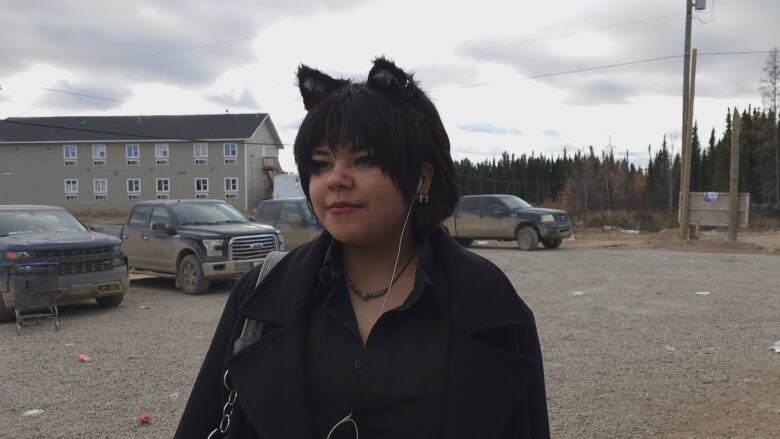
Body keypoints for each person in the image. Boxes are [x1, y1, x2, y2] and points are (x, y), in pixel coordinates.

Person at [175, 57, 549, 439]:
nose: (336, 179)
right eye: (320, 164)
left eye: (364, 159)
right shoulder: (262, 293)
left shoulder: (489, 301)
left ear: (421, 178)